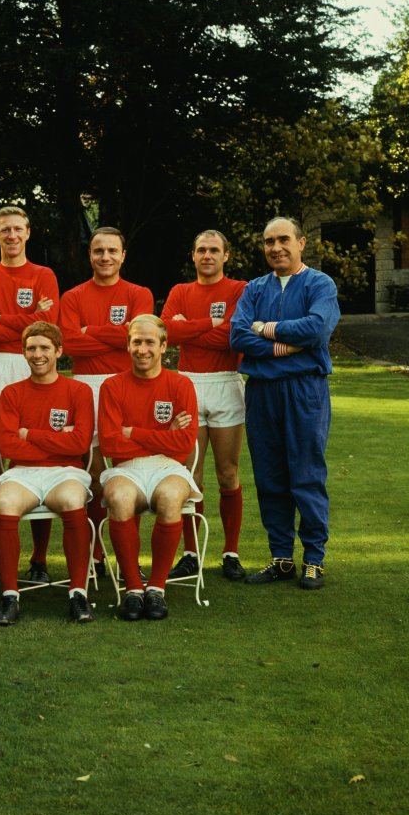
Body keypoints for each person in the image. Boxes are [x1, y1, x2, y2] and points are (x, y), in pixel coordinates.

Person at [230, 216, 340, 590]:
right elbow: (239, 336)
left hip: (304, 390)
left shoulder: (319, 284)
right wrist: (283, 345)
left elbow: (317, 329)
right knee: (270, 475)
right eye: (268, 241)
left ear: (301, 243)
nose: (275, 247)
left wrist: (268, 328)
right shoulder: (255, 288)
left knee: (306, 473)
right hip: (262, 391)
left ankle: (314, 559)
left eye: (283, 240)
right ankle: (280, 558)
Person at [0, 205, 61, 583]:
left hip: (32, 367)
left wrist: (1, 320)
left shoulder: (44, 275)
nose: (11, 235)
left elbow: (47, 328)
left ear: (28, 233)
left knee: (35, 460)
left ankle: (39, 559)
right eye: (4, 229)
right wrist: (21, 321)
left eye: (17, 229)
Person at [60, 225, 154, 569]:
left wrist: (90, 331)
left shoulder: (138, 293)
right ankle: (96, 554)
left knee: (130, 472)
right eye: (99, 251)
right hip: (85, 387)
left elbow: (139, 336)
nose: (105, 257)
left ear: (123, 255)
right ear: (90, 255)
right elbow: (69, 344)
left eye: (112, 251)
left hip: (128, 386)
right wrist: (114, 335)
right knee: (95, 474)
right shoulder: (72, 297)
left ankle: (131, 556)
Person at [98, 315, 200, 622]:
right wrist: (164, 435)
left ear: (164, 346)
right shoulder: (112, 386)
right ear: (128, 345)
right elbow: (111, 446)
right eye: (136, 342)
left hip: (169, 466)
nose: (143, 349)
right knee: (119, 499)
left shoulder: (181, 384)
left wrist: (134, 432)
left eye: (150, 342)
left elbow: (183, 446)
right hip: (125, 468)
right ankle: (132, 589)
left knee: (170, 497)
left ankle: (156, 588)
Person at [0, 322, 95, 625]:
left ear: (59, 351)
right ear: (23, 352)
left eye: (45, 348)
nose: (38, 354)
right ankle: (10, 595)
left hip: (67, 472)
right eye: (31, 348)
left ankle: (78, 592)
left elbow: (80, 443)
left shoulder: (78, 390)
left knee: (71, 500)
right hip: (22, 473)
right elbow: (8, 445)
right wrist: (56, 440)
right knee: (5, 503)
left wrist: (29, 434)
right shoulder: (11, 393)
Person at [162, 230, 248, 582]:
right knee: (189, 475)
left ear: (226, 255)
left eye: (214, 250)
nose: (207, 255)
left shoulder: (239, 289)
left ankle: (230, 552)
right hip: (188, 383)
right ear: (193, 255)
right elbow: (168, 332)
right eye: (201, 250)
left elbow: (233, 335)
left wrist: (191, 329)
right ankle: (191, 553)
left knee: (227, 473)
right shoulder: (180, 292)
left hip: (226, 382)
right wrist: (211, 325)